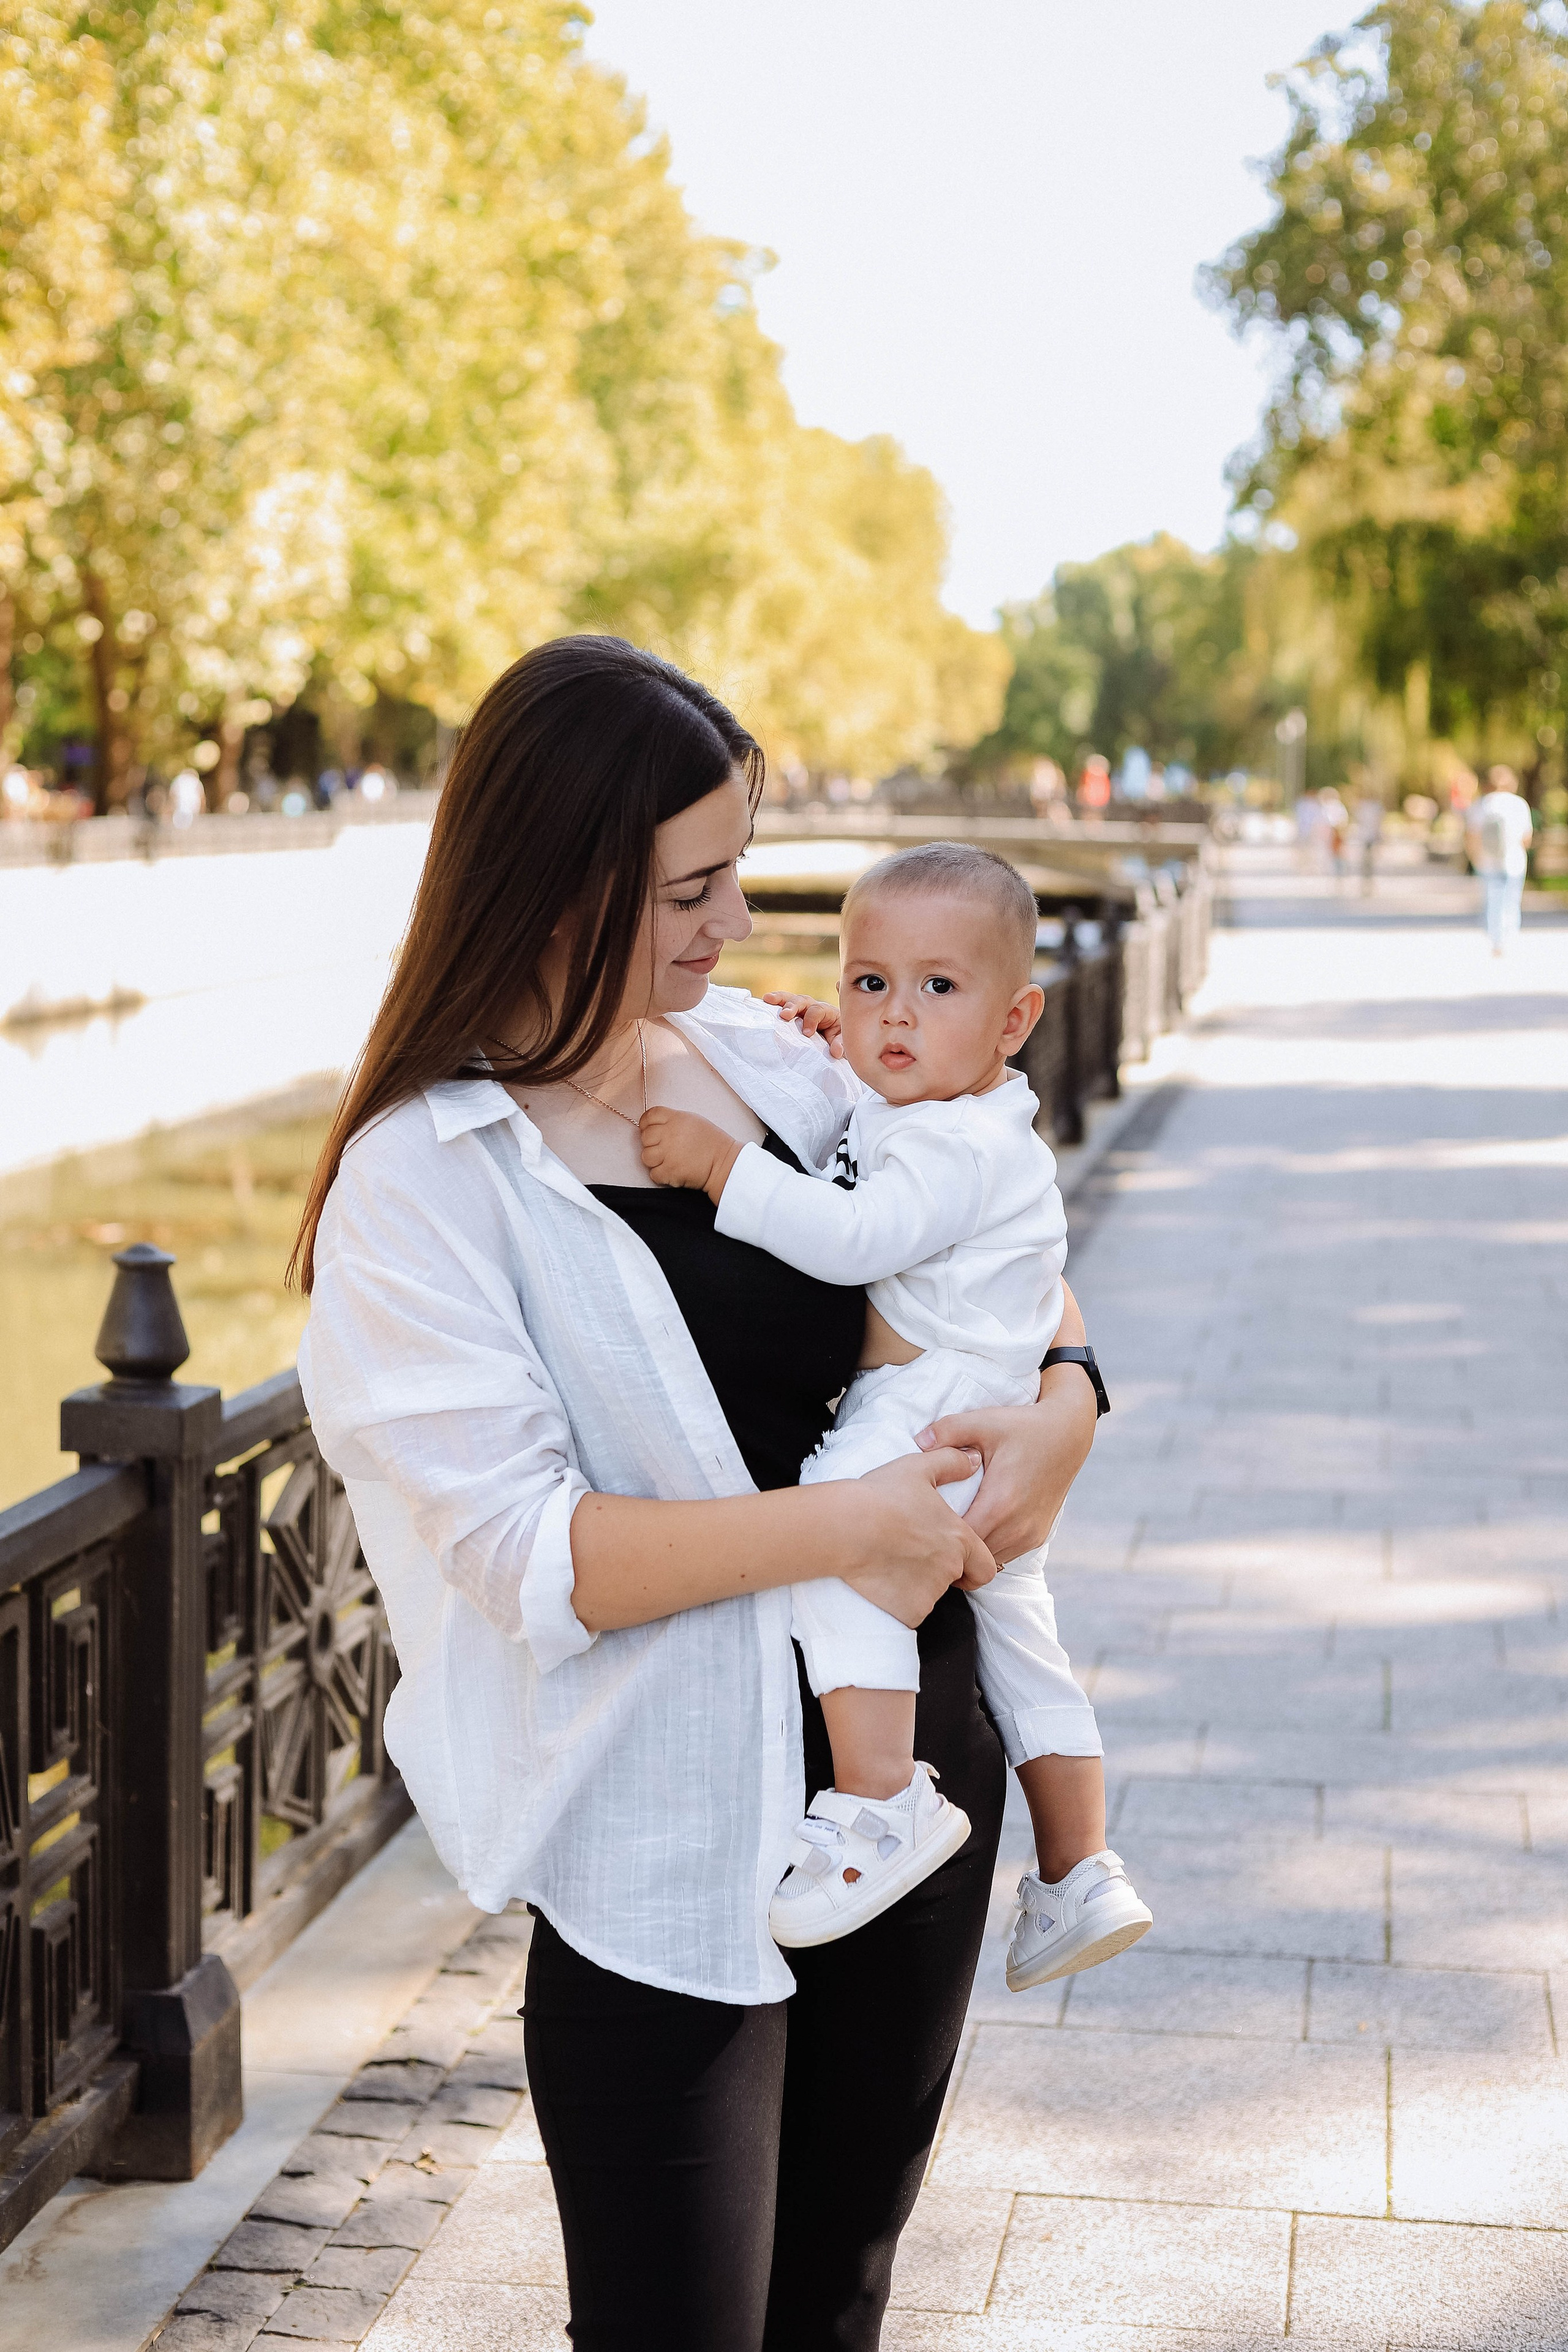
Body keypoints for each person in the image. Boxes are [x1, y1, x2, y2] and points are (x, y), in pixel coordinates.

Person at [292, 636, 1102, 2350]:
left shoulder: (773, 1058)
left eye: (740, 874)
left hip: (913, 1780)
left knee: (841, 2301)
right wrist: (847, 1529)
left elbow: (989, 1233)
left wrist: (1070, 1403)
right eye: (698, 886)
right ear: (562, 886)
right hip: (672, 1827)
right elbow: (525, 1554)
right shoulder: (422, 1181)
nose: (741, 924)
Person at [641, 842, 1151, 1984]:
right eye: (868, 984)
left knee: (836, 1536)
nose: (892, 1017)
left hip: (929, 1411)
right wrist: (836, 1048)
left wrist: (726, 1169)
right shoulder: (950, 1114)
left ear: (1017, 1020)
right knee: (1024, 1642)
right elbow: (877, 1144)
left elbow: (854, 1237)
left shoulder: (957, 1145)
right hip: (989, 1405)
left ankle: (881, 1803)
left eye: (936, 988)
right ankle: (1079, 1870)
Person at [1466, 764, 1534, 954]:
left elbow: (1472, 835)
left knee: (1492, 900)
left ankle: (1496, 939)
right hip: (1514, 861)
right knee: (1512, 900)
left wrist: (1474, 858)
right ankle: (1510, 936)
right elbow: (1526, 838)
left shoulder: (1481, 805)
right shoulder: (1519, 804)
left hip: (1486, 862)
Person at [1352, 790, 1384, 896]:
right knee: (1367, 862)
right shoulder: (1370, 807)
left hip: (1369, 838)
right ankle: (1366, 883)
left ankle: (1368, 883)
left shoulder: (1367, 807)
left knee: (1368, 862)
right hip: (1366, 838)